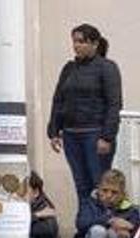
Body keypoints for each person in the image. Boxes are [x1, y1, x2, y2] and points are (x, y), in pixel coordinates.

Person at [48, 24, 123, 206]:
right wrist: (53, 131)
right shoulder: (69, 68)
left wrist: (107, 137)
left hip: (95, 135)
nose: (76, 46)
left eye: (81, 41)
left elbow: (115, 104)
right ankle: (85, 228)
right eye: (74, 41)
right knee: (81, 186)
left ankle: (101, 228)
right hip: (71, 135)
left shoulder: (107, 67)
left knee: (100, 186)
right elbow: (58, 100)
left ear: (95, 44)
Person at [75, 169, 139, 238]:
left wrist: (131, 229)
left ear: (122, 194)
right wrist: (109, 221)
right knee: (99, 231)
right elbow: (81, 224)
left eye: (114, 192)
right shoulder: (89, 203)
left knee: (115, 234)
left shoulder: (131, 210)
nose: (109, 195)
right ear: (98, 189)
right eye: (105, 190)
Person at [29, 172, 64, 238]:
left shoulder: (45, 207)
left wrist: (31, 217)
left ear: (35, 192)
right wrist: (35, 216)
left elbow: (48, 229)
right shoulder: (37, 211)